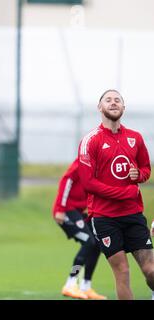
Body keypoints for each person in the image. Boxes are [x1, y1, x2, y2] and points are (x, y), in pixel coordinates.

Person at [78, 89, 154, 300]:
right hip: (104, 218)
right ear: (99, 107)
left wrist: (138, 174)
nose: (113, 103)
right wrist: (123, 192)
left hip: (133, 214)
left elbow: (146, 170)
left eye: (117, 100)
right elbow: (87, 183)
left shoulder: (135, 138)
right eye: (108, 100)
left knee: (151, 271)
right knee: (122, 272)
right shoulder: (90, 140)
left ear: (123, 107)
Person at [53, 158, 106, 299]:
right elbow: (67, 181)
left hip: (79, 213)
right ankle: (70, 283)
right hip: (66, 211)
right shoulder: (83, 162)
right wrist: (60, 208)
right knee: (89, 242)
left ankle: (86, 286)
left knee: (96, 244)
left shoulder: (101, 166)